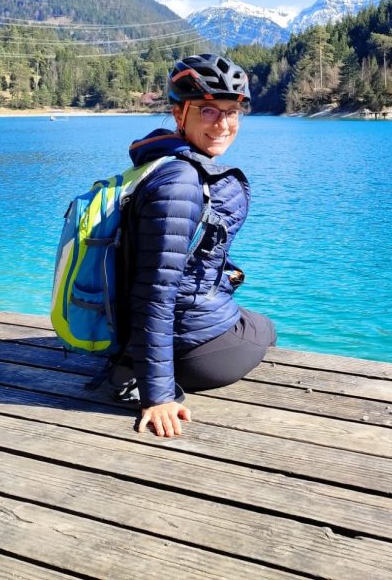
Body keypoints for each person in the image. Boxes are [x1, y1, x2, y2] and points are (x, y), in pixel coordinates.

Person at [117, 53, 276, 437]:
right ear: (179, 114)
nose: (223, 124)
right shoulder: (180, 184)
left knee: (243, 316)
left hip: (160, 337)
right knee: (265, 329)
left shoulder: (159, 161)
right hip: (190, 353)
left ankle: (128, 360)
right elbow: (155, 290)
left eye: (232, 111)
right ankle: (138, 371)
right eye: (207, 111)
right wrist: (158, 396)